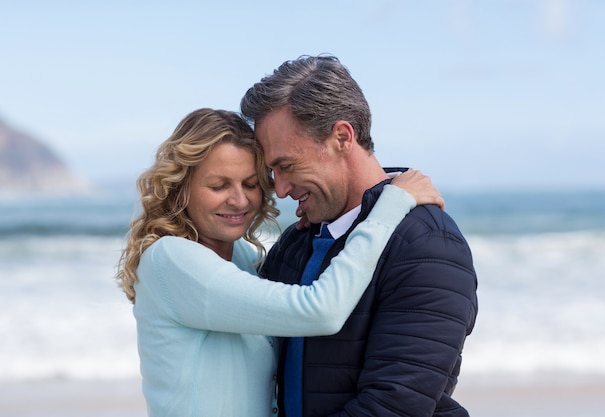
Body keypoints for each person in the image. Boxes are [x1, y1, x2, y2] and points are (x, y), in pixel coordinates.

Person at [115, 108, 444, 417]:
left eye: (251, 184)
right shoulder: (172, 259)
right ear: (179, 188)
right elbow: (319, 310)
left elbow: (289, 307)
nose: (239, 200)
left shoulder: (241, 257)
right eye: (218, 186)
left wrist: (312, 226)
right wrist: (388, 209)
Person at [240, 55, 479, 417]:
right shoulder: (297, 242)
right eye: (272, 172)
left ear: (341, 137)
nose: (282, 189)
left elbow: (393, 405)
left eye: (286, 166)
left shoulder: (426, 243)